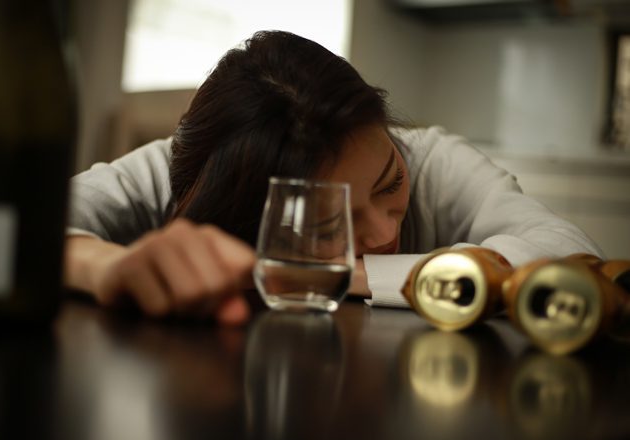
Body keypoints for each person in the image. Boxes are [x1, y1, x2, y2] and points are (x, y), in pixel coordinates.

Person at [64, 30, 603, 324]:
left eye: (389, 184)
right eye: (327, 226)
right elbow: (31, 222)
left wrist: (358, 274)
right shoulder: (189, 174)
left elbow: (567, 251)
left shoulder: (429, 157)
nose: (382, 233)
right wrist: (107, 265)